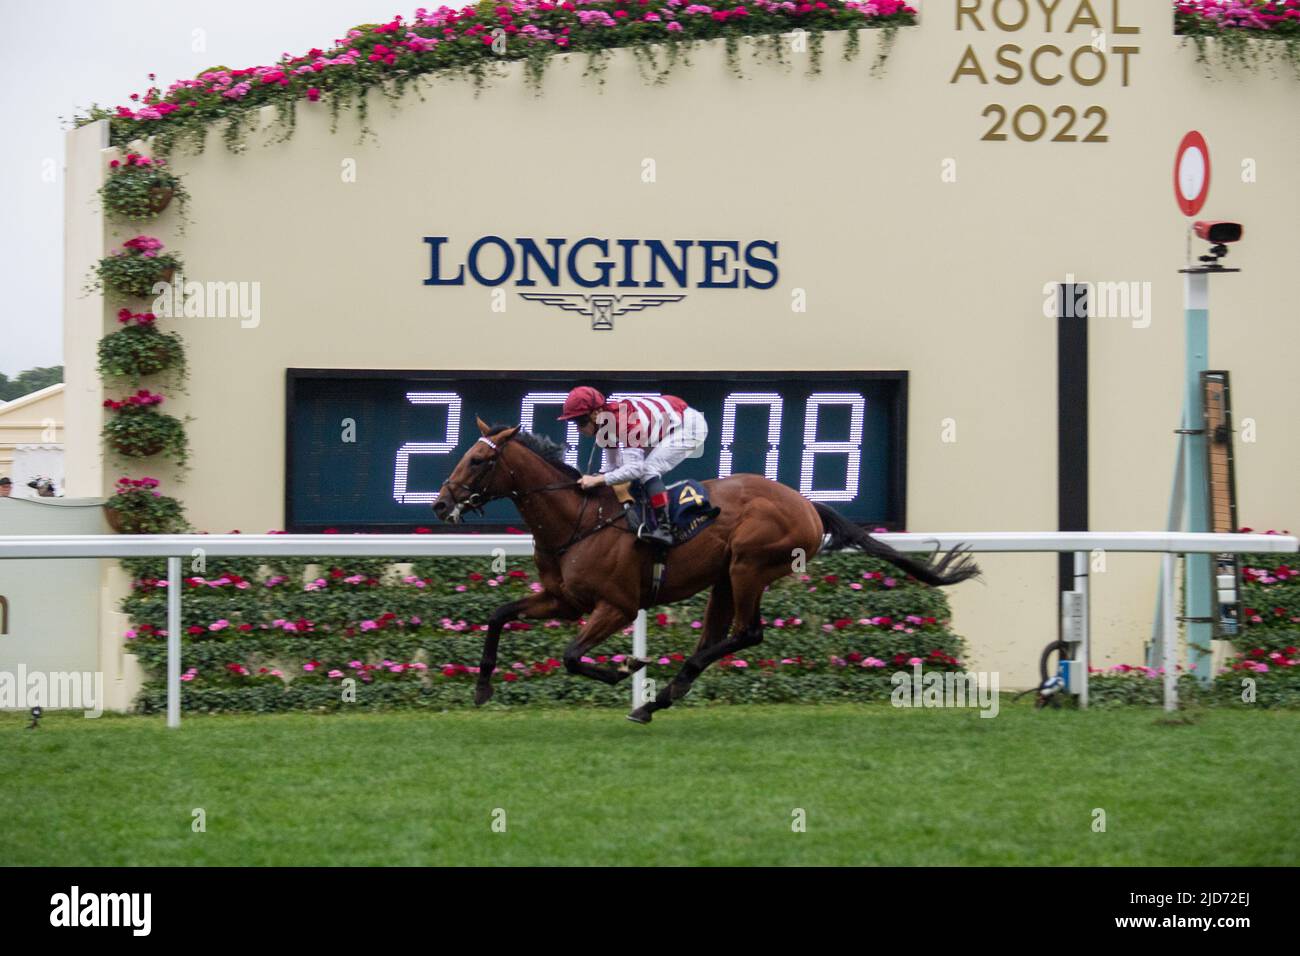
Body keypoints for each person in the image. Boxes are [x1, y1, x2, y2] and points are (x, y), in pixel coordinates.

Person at [557, 386, 708, 546]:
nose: (578, 428)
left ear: (596, 413)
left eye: (580, 421)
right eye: (573, 422)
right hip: (663, 424)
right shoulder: (605, 423)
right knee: (626, 470)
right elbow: (612, 466)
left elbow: (635, 470)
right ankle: (643, 516)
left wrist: (597, 480)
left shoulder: (625, 422)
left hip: (688, 426)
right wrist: (596, 478)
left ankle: (665, 528)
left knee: (647, 471)